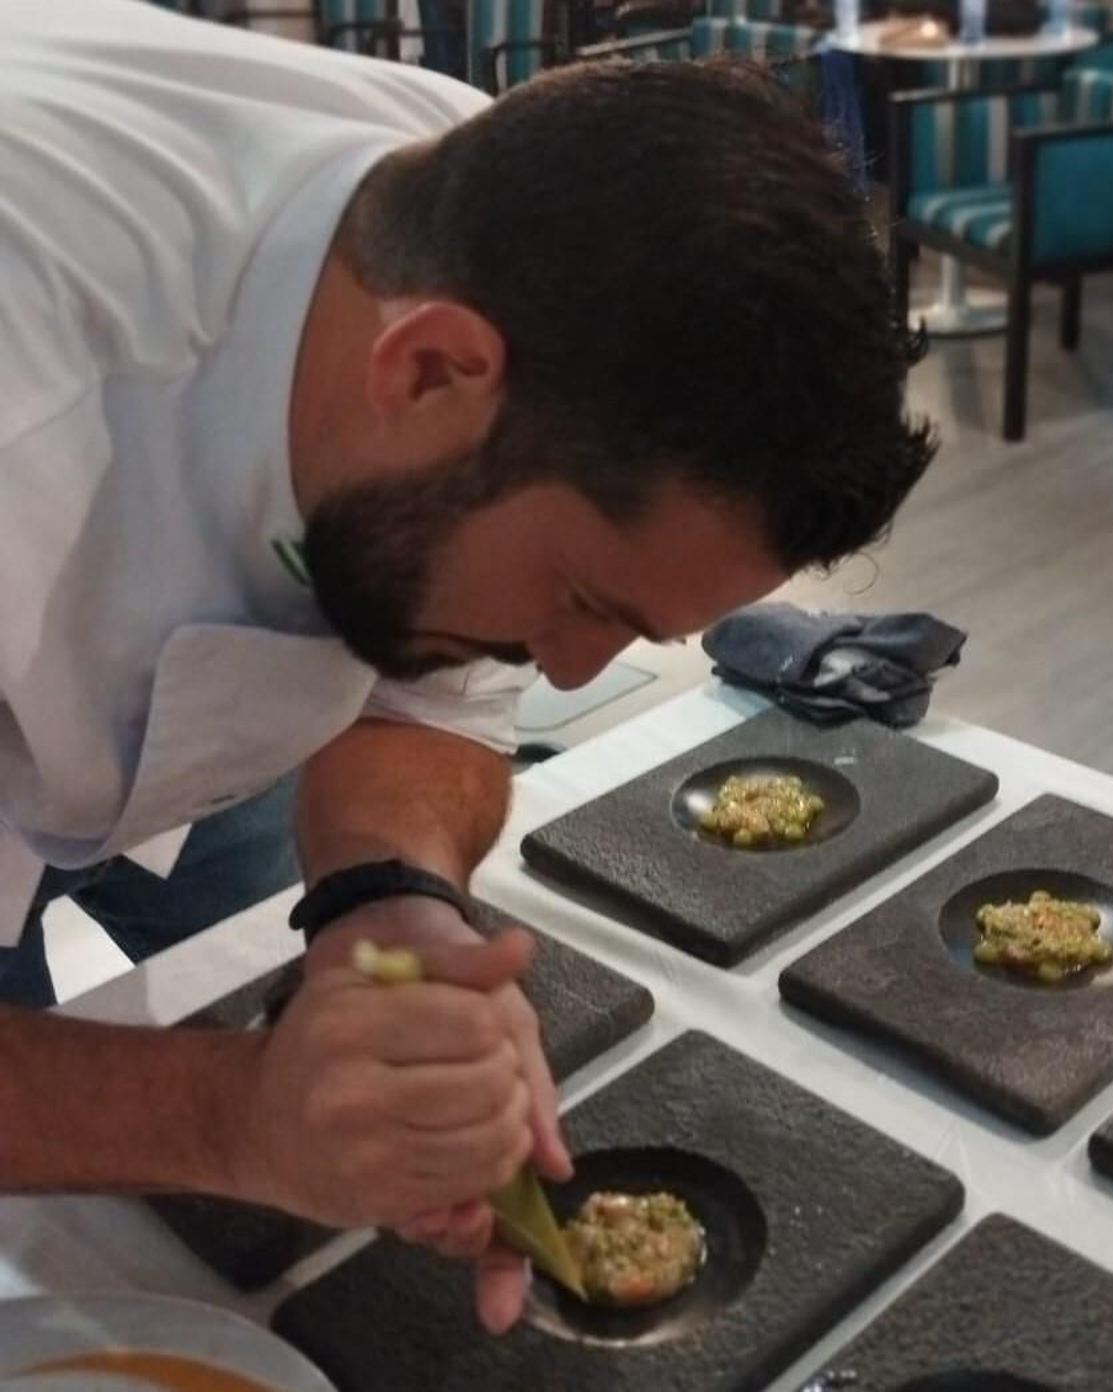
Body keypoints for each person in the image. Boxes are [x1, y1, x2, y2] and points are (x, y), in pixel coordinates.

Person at [0, 0, 934, 1334]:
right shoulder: (23, 395)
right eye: (579, 599)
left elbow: (424, 694)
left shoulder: (489, 218)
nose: (567, 675)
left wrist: (390, 906)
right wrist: (240, 1122)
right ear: (429, 367)